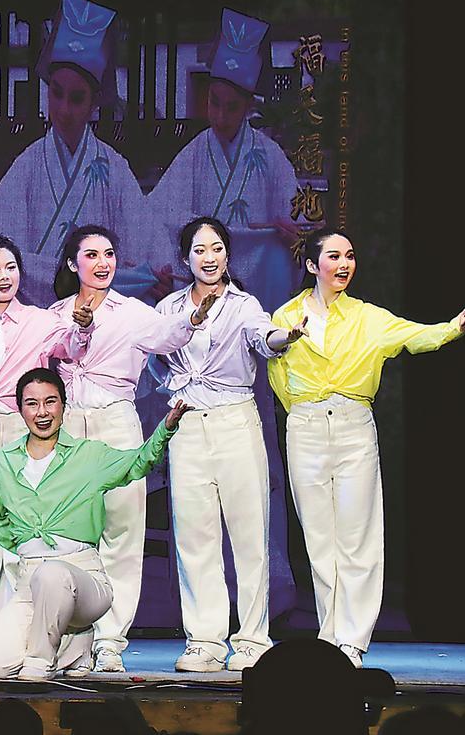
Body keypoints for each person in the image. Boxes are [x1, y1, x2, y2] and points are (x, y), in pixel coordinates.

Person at [268, 226, 464, 667]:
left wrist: (454, 327)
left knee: (358, 537)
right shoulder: (286, 315)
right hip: (306, 427)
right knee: (319, 540)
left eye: (350, 256)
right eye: (334, 256)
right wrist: (303, 411)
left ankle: (352, 641)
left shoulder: (367, 317)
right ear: (312, 265)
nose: (344, 264)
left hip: (353, 426)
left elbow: (417, 336)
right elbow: (277, 374)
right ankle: (330, 635)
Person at [49, 224, 213, 672]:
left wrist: (192, 319)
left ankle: (110, 641)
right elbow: (55, 353)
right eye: (91, 255)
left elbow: (168, 335)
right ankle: (69, 640)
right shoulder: (57, 312)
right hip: (69, 429)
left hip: (116, 423)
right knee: (68, 534)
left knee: (121, 532)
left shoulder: (133, 312)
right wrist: (79, 328)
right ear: (72, 264)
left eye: (109, 254)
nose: (103, 263)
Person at [153, 218, 305, 672]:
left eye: (217, 248)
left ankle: (253, 639)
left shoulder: (243, 304)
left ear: (227, 254)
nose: (210, 257)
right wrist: (175, 386)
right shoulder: (169, 307)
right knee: (194, 537)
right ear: (185, 258)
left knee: (249, 535)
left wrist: (286, 337)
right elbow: (155, 356)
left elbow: (264, 336)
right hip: (187, 425)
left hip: (235, 421)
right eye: (200, 250)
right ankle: (204, 640)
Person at [0, 368, 188, 680]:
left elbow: (138, 461)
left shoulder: (88, 455)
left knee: (53, 573)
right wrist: (26, 543)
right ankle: (74, 645)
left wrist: (165, 429)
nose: (42, 412)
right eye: (32, 404)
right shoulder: (3, 461)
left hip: (85, 579)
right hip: (29, 581)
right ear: (20, 409)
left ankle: (43, 659)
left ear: (64, 406)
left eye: (50, 402)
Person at [0, 229, 95, 655]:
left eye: (10, 267)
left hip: (19, 429)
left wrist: (82, 327)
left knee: (25, 535)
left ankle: (35, 635)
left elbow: (71, 349)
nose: (3, 276)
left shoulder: (39, 320)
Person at [0, 0, 160, 305]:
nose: (64, 109)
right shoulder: (27, 165)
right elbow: (2, 245)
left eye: (77, 98)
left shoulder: (113, 167)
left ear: (94, 103)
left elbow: (143, 237)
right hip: (36, 311)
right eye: (57, 93)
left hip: (100, 312)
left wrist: (158, 271)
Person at [148, 8, 306, 312]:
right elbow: (159, 216)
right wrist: (163, 266)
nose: (220, 116)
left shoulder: (271, 156)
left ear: (247, 106)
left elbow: (296, 222)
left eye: (231, 107)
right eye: (214, 103)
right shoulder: (193, 154)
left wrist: (294, 238)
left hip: (257, 283)